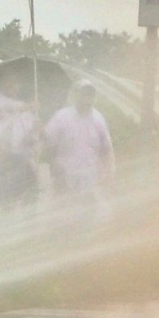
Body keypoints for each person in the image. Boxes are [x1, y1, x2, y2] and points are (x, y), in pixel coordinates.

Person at [43, 80, 116, 225]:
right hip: (65, 175)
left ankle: (85, 238)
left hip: (90, 175)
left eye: (90, 94)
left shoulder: (98, 119)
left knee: (89, 212)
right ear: (75, 95)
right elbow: (48, 143)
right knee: (65, 214)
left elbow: (107, 148)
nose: (87, 97)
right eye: (83, 94)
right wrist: (54, 165)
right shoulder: (61, 117)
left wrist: (110, 172)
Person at [0, 82, 41, 209]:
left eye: (16, 83)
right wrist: (28, 106)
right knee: (7, 190)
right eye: (10, 83)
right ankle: (8, 213)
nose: (14, 87)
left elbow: (30, 136)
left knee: (31, 183)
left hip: (20, 154)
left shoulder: (21, 106)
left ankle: (30, 212)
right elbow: (3, 111)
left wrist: (34, 131)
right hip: (2, 152)